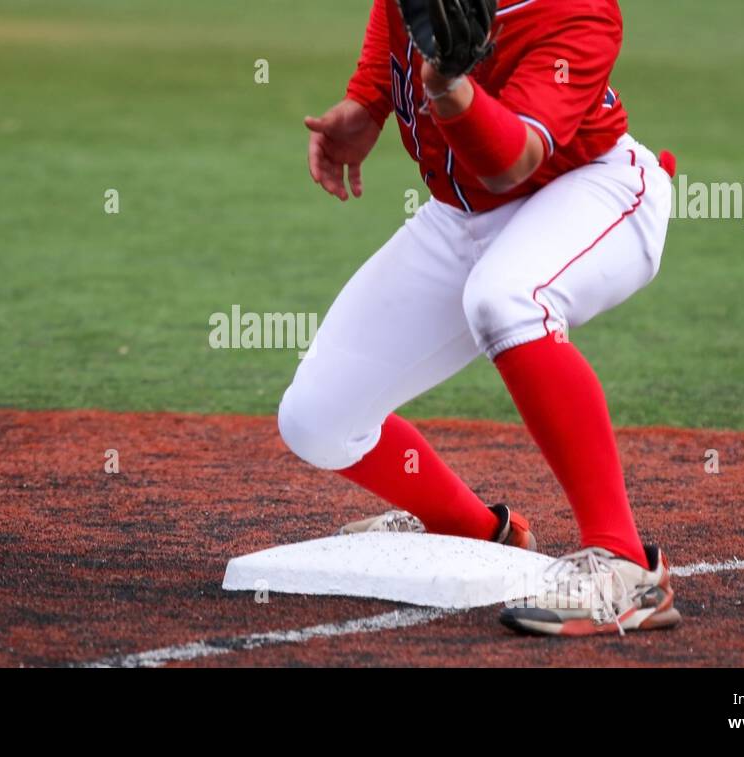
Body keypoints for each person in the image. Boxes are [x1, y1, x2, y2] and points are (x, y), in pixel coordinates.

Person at [278, 0, 680, 635]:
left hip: (591, 189)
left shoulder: (578, 11)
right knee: (315, 421)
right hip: (460, 215)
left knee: (506, 300)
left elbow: (510, 161)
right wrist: (368, 102)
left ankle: (627, 567)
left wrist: (448, 89)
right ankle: (473, 530)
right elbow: (398, 13)